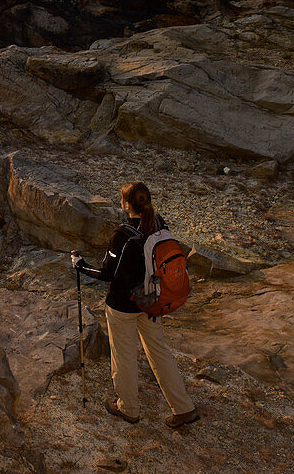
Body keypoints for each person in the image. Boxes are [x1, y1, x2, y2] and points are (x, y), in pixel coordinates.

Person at [72, 181, 199, 428]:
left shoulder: (122, 235)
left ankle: (128, 408)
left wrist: (79, 265)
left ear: (126, 205)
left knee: (124, 356)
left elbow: (107, 274)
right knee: (159, 352)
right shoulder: (160, 224)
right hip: (152, 302)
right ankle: (184, 408)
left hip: (122, 306)